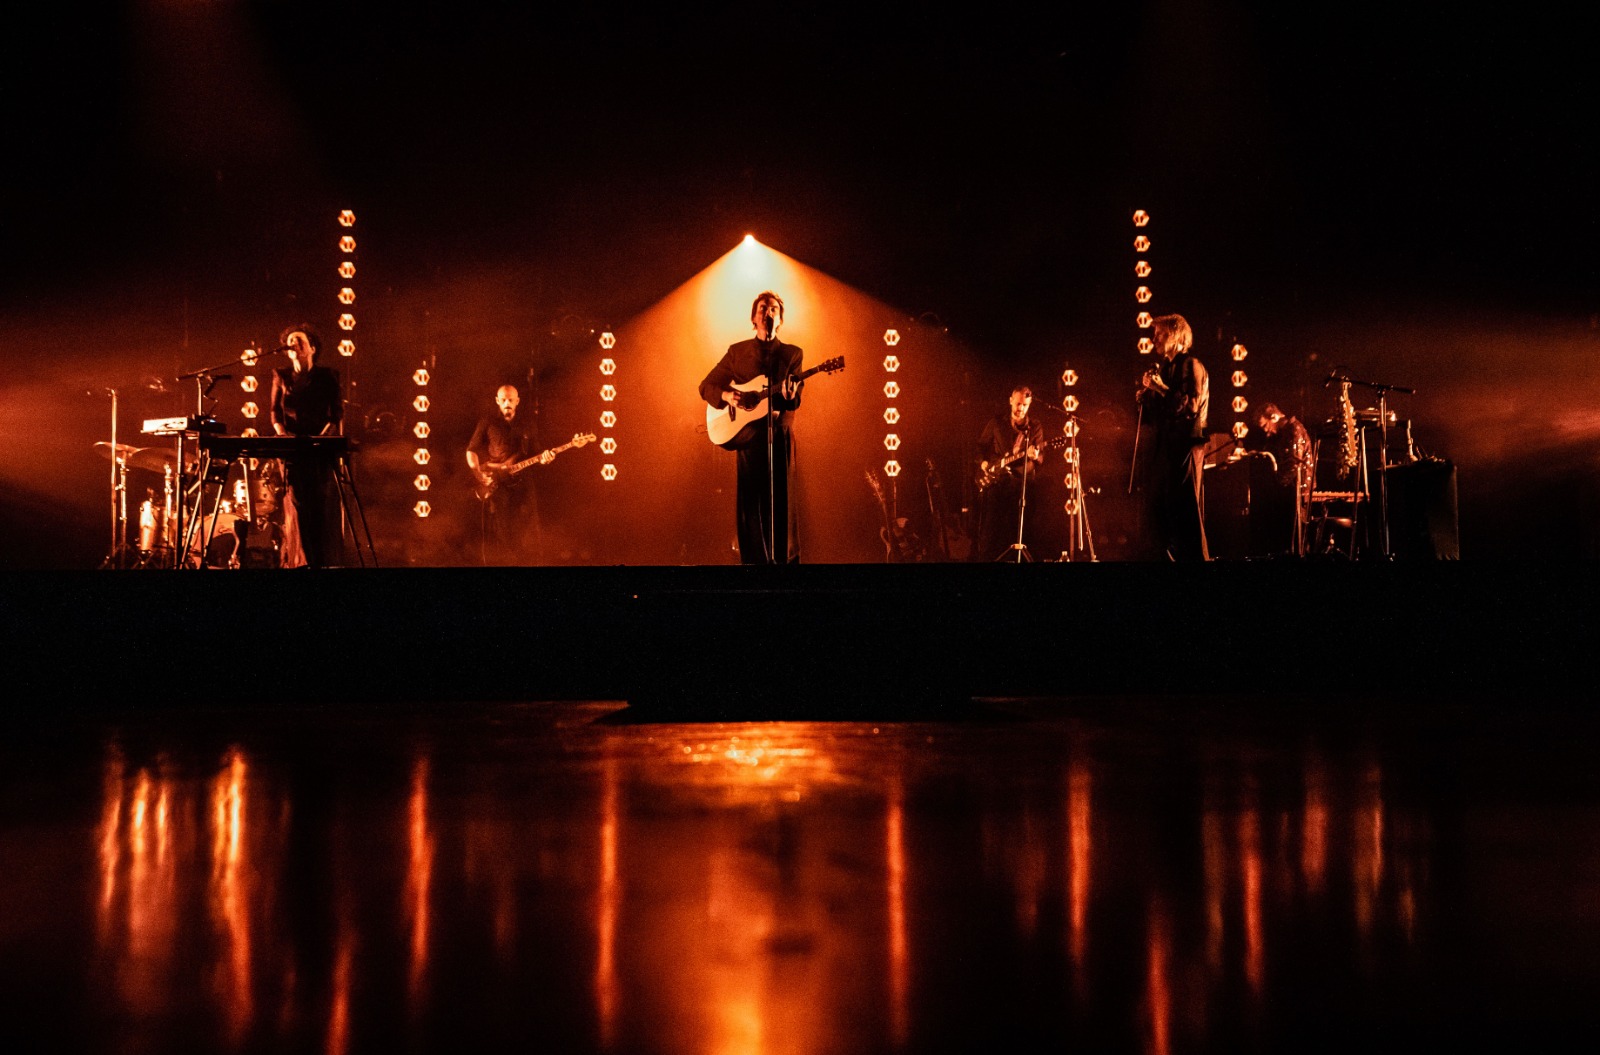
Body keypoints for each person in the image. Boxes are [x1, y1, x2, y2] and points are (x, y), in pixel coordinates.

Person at [699, 291, 804, 564]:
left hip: (778, 436)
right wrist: (727, 396)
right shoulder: (737, 352)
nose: (767, 312)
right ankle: (754, 567)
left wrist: (791, 396)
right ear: (753, 317)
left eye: (773, 309)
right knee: (751, 507)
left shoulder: (792, 354)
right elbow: (706, 386)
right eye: (762, 308)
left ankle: (782, 568)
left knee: (781, 504)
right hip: (748, 439)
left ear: (780, 319)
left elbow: (795, 400)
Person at [1135, 313, 1210, 560]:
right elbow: (1162, 411)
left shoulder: (1191, 365)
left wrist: (1159, 388)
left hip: (1186, 446)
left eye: (1160, 333)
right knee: (1163, 511)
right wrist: (1146, 397)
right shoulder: (1166, 368)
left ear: (1176, 335)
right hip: (1167, 449)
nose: (1154, 338)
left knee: (1185, 509)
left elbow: (1190, 407)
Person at [269, 323, 343, 568]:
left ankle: (323, 561)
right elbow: (275, 414)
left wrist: (321, 439)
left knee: (320, 504)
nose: (295, 344)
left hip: (320, 449)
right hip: (292, 450)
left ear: (312, 348)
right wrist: (283, 436)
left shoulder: (327, 376)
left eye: (300, 340)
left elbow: (336, 414)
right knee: (298, 505)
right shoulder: (281, 375)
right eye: (291, 341)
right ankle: (303, 562)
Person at [466, 384, 550, 565]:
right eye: (503, 400)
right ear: (497, 400)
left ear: (517, 401)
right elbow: (471, 450)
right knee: (501, 526)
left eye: (511, 400)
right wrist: (477, 472)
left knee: (528, 524)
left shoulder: (527, 423)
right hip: (498, 482)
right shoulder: (488, 421)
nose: (507, 403)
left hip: (523, 481)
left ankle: (528, 562)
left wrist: (545, 458)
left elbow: (536, 452)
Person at [973, 385, 1045, 561]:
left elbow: (1041, 457)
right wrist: (983, 462)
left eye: (1025, 405)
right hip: (997, 483)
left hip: (1022, 485)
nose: (1021, 408)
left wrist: (1036, 455)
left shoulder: (1034, 427)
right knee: (990, 530)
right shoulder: (997, 423)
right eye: (1018, 403)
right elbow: (980, 447)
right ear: (1011, 401)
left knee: (1021, 530)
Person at [1253, 401, 1314, 556]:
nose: (1266, 432)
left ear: (1273, 417)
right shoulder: (1283, 433)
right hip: (1292, 491)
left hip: (1299, 492)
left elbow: (1294, 464)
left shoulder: (1293, 430)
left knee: (1296, 536)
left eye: (1265, 426)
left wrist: (1277, 483)